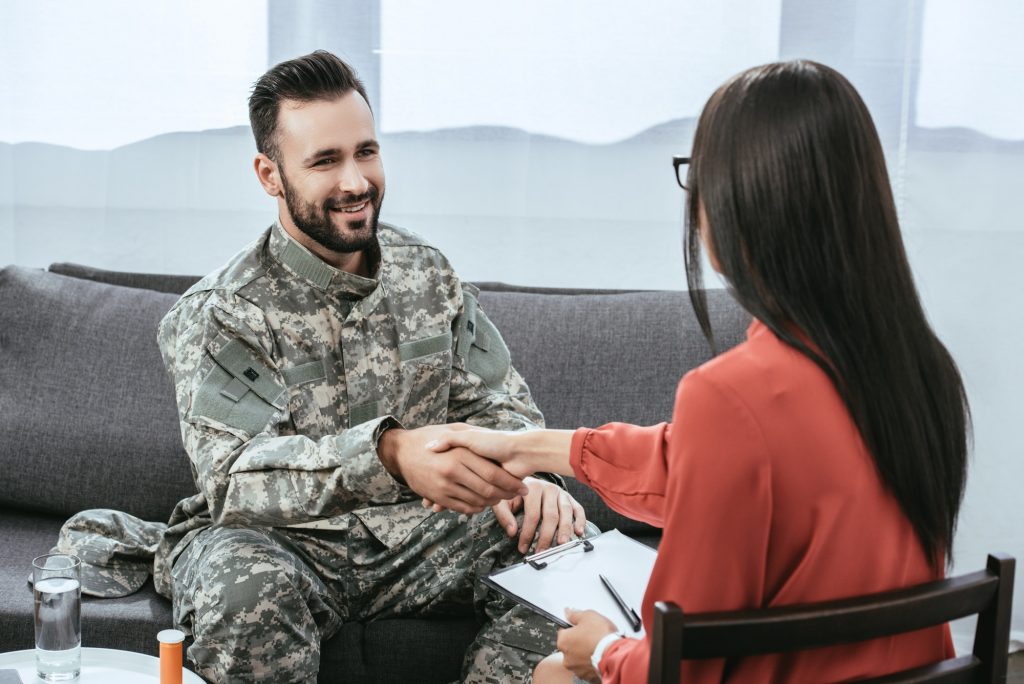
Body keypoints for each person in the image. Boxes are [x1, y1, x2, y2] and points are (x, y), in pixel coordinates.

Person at [426, 60, 970, 683]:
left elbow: (682, 665)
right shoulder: (922, 366)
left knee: (555, 672)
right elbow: (696, 463)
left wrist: (602, 651)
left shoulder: (731, 395)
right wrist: (530, 447)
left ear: (742, 200)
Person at [57, 50, 591, 683]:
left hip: (419, 539)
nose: (356, 181)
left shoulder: (428, 273)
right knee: (244, 595)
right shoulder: (222, 312)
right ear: (270, 174)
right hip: (280, 543)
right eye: (325, 161)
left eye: (366, 151)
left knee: (572, 571)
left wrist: (533, 483)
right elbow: (233, 481)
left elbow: (501, 407)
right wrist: (388, 454)